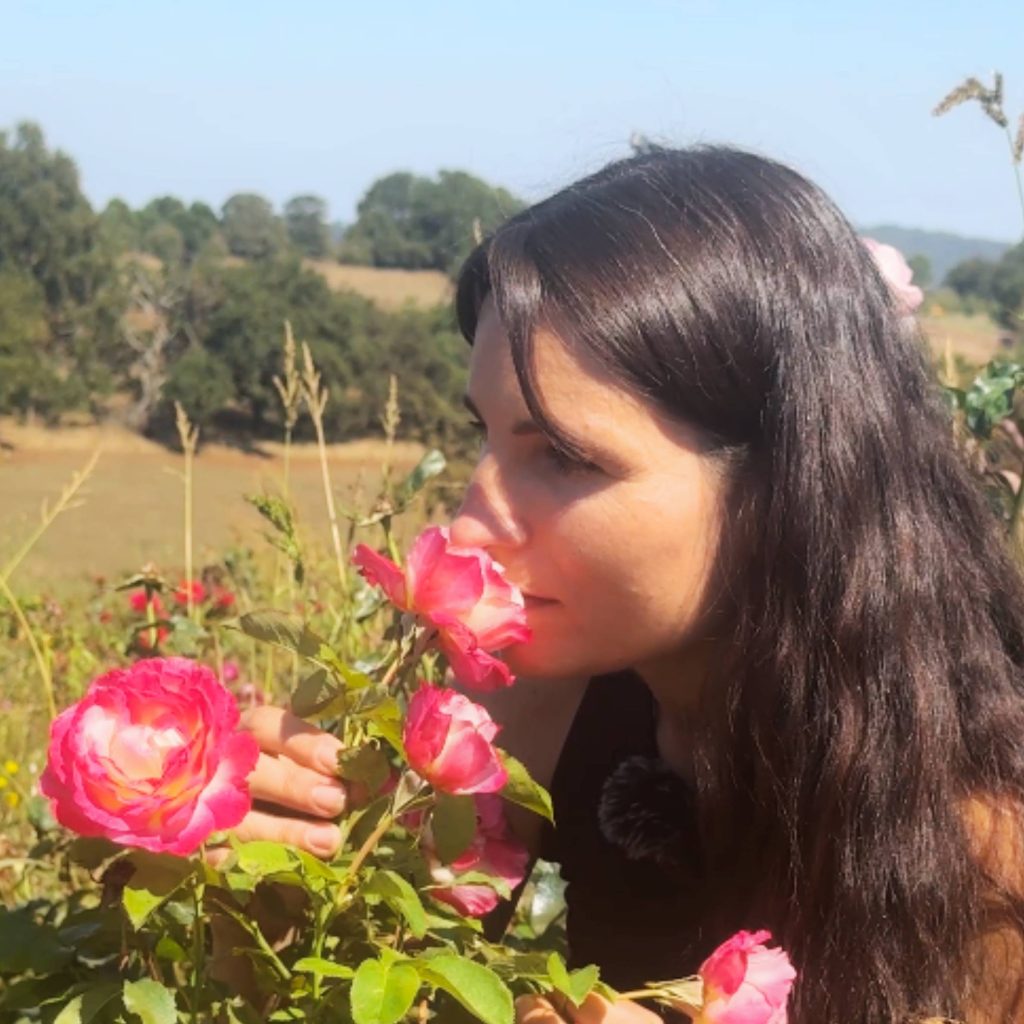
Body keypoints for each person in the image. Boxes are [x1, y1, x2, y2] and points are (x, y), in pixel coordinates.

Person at [236, 146, 1024, 1023]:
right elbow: (382, 975)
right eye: (486, 438)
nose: (465, 527)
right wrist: (266, 878)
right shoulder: (539, 691)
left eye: (565, 457)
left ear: (784, 482)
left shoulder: (985, 850)